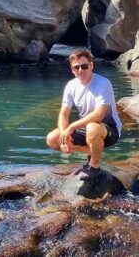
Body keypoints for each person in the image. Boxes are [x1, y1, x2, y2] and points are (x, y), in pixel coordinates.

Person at [46, 49, 121, 180]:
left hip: (109, 128)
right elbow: (63, 114)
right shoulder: (71, 86)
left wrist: (72, 127)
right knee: (52, 138)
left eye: (84, 66)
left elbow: (99, 115)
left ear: (91, 65)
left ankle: (94, 166)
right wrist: (65, 135)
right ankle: (91, 152)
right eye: (76, 67)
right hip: (86, 128)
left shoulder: (103, 83)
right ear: (72, 69)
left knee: (92, 127)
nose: (80, 70)